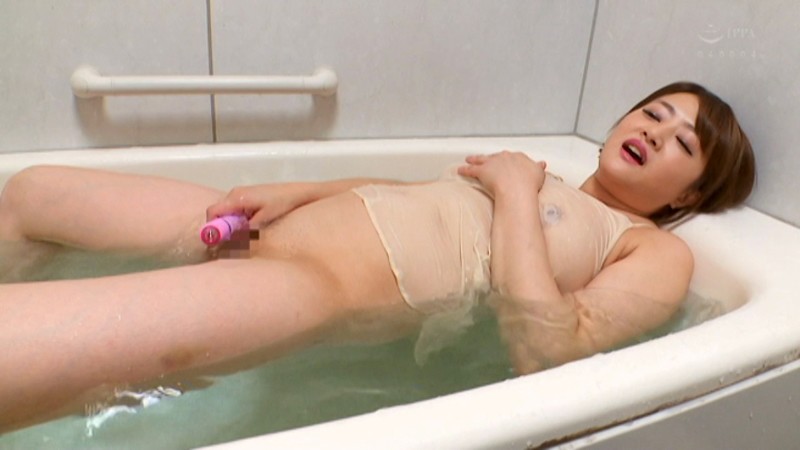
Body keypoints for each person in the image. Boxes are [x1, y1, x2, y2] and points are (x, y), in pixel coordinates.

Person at [0, 81, 755, 429]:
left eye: (682, 142)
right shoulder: (538, 171)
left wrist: (514, 193)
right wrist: (302, 190)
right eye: (653, 113)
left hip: (307, 284)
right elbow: (414, 194)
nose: (654, 132)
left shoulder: (648, 247)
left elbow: (548, 346)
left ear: (691, 192)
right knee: (35, 195)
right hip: (270, 232)